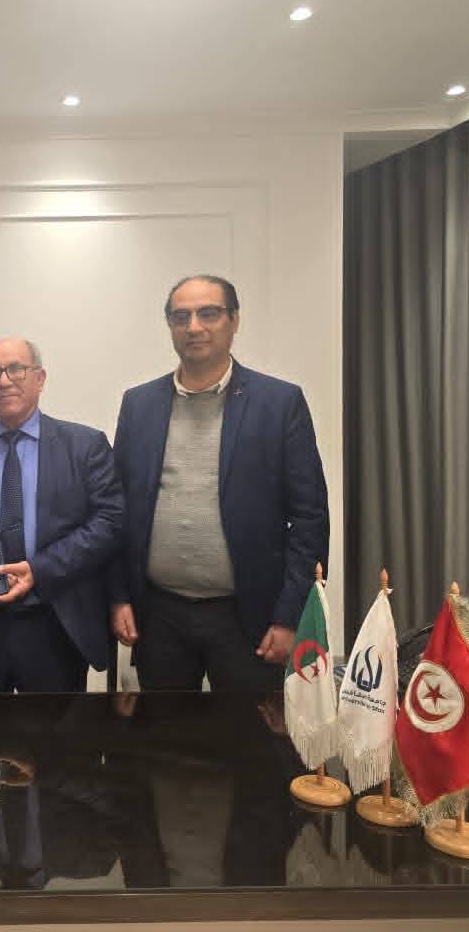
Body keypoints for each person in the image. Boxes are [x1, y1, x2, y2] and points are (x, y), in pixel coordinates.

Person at [109, 274, 329, 692]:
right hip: (159, 616)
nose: (194, 327)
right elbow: (118, 510)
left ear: (234, 320)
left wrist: (290, 616)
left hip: (250, 618)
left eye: (208, 313)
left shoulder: (279, 403)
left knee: (248, 731)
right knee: (165, 730)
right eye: (181, 317)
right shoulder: (139, 404)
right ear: (169, 325)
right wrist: (118, 596)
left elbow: (309, 518)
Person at [0, 338, 123, 693]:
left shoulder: (84, 445)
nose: (4, 381)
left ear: (40, 378)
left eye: (16, 369)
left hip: (53, 623)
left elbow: (109, 522)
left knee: (55, 730)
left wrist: (40, 569)